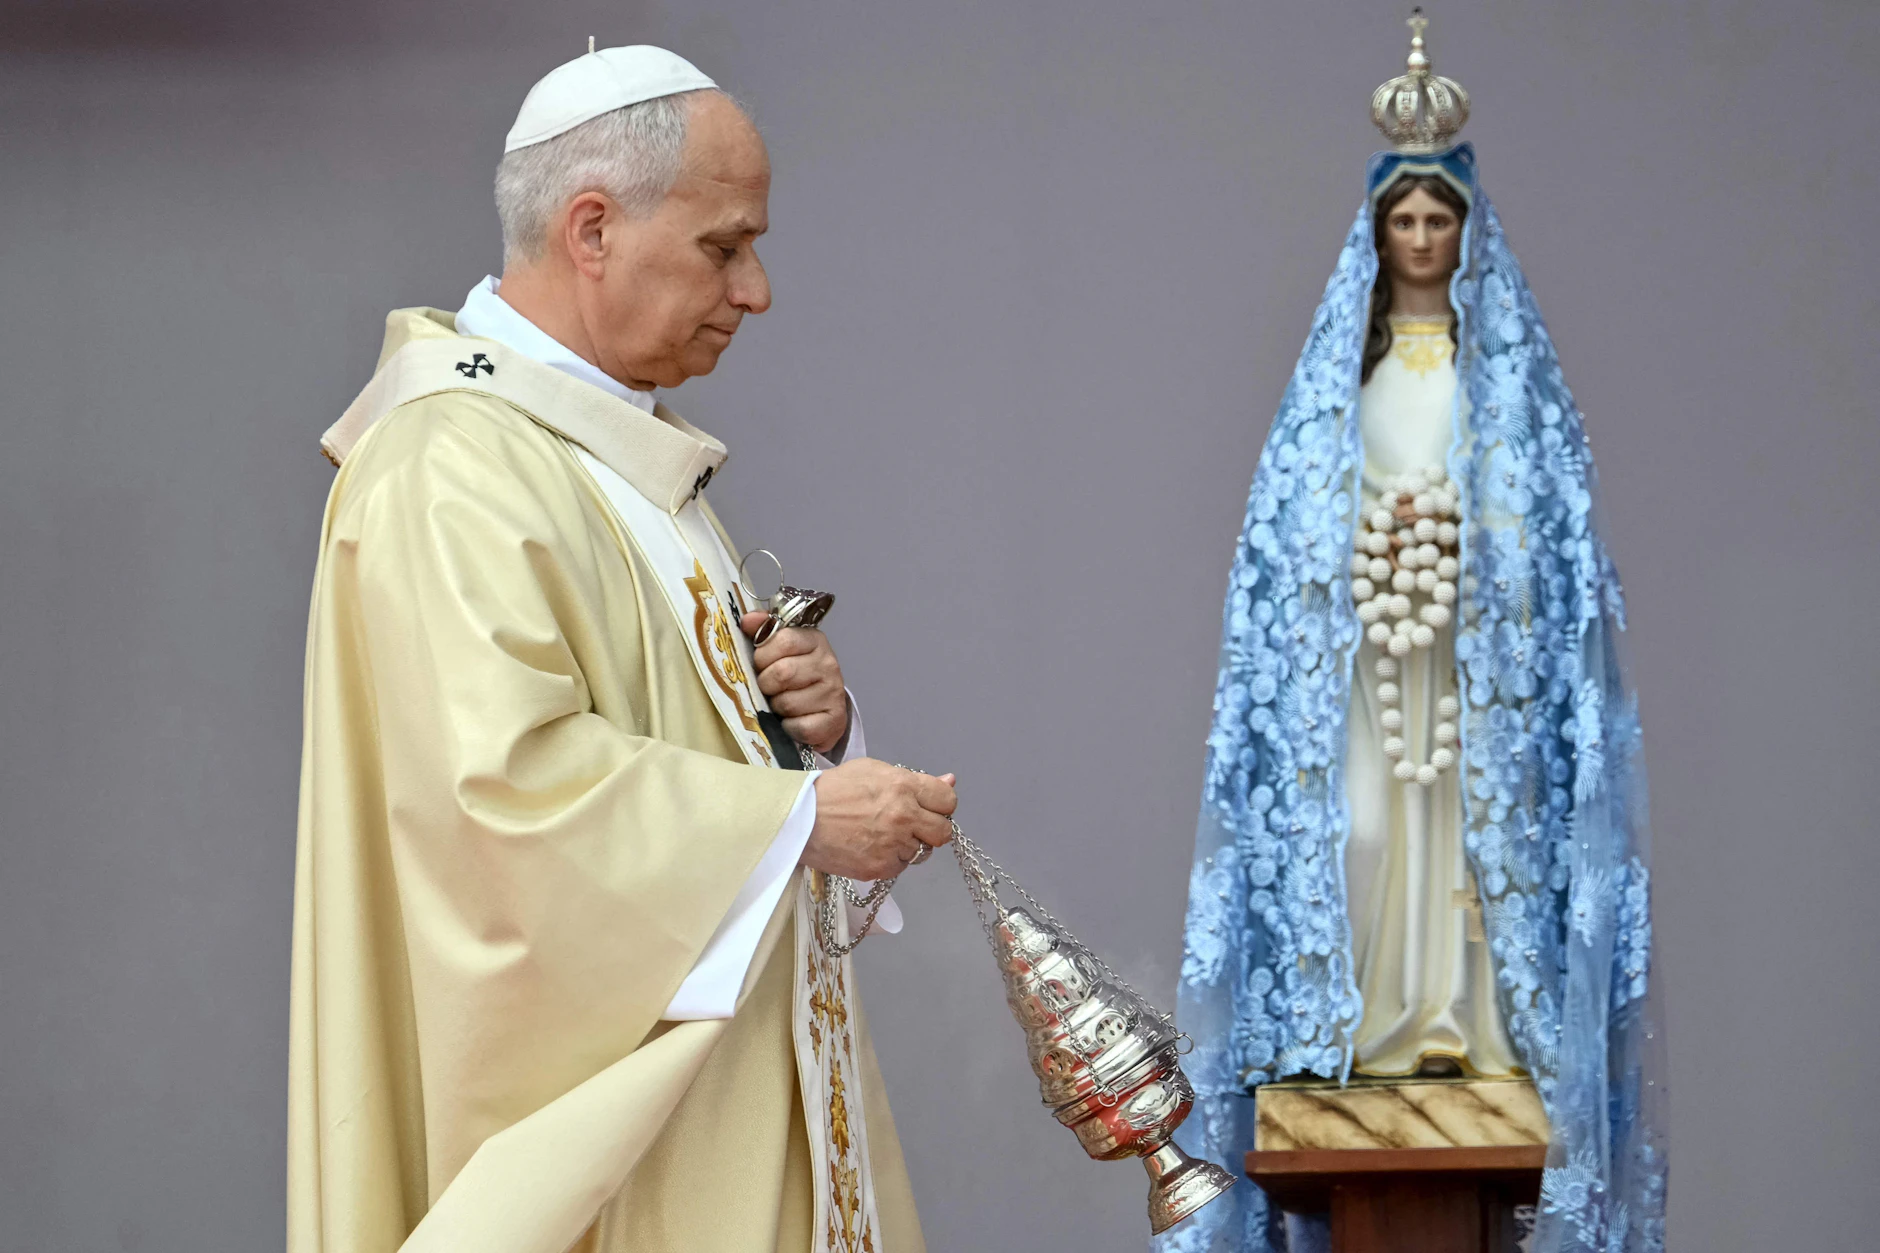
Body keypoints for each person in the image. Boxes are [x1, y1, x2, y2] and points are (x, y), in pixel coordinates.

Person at [288, 44, 955, 1253]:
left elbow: (672, 763)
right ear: (591, 227)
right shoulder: (454, 464)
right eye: (723, 246)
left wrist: (812, 739)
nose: (754, 290)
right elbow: (500, 809)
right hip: (622, 1173)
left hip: (736, 1108)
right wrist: (803, 822)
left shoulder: (625, 462)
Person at [1167, 18, 1664, 1253]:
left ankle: (1467, 1033)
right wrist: (1371, 550)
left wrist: (1466, 550)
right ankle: (1366, 1030)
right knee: (1376, 832)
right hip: (1367, 670)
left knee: (1469, 847)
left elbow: (1549, 536)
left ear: (1464, 230)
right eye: (1404, 219)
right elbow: (1285, 542)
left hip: (1471, 668)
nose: (1423, 237)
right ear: (1377, 233)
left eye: (1440, 218)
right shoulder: (1338, 388)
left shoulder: (1513, 397)